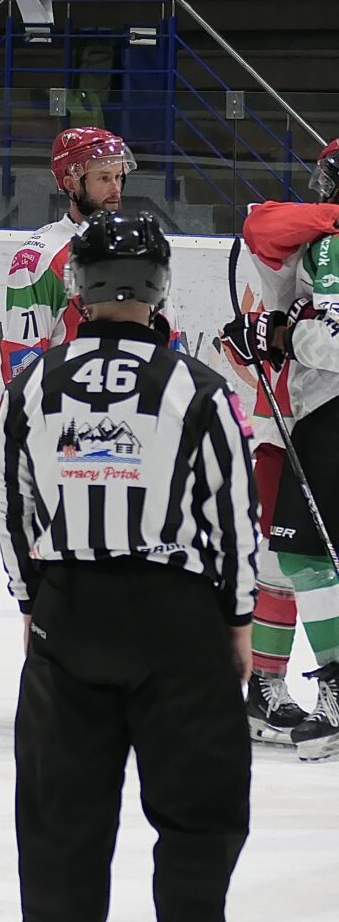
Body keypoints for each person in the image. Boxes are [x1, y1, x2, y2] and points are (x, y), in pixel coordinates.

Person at [0, 211, 257, 920]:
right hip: (180, 622)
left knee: (59, 827)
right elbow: (235, 513)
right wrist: (238, 617)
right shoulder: (199, 387)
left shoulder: (30, 387)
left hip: (70, 614)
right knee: (199, 816)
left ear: (79, 285)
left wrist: (32, 603)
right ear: (160, 285)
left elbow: (12, 509)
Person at [218, 144, 339, 760]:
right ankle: (265, 687)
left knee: (295, 557)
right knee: (283, 556)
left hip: (314, 412)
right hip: (290, 418)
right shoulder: (312, 238)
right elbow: (260, 223)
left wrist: (282, 336)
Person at [1, 127, 136, 382]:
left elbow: (169, 340)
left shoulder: (140, 248)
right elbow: (23, 357)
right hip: (69, 403)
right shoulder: (39, 257)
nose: (116, 189)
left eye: (119, 177)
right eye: (104, 178)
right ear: (71, 184)